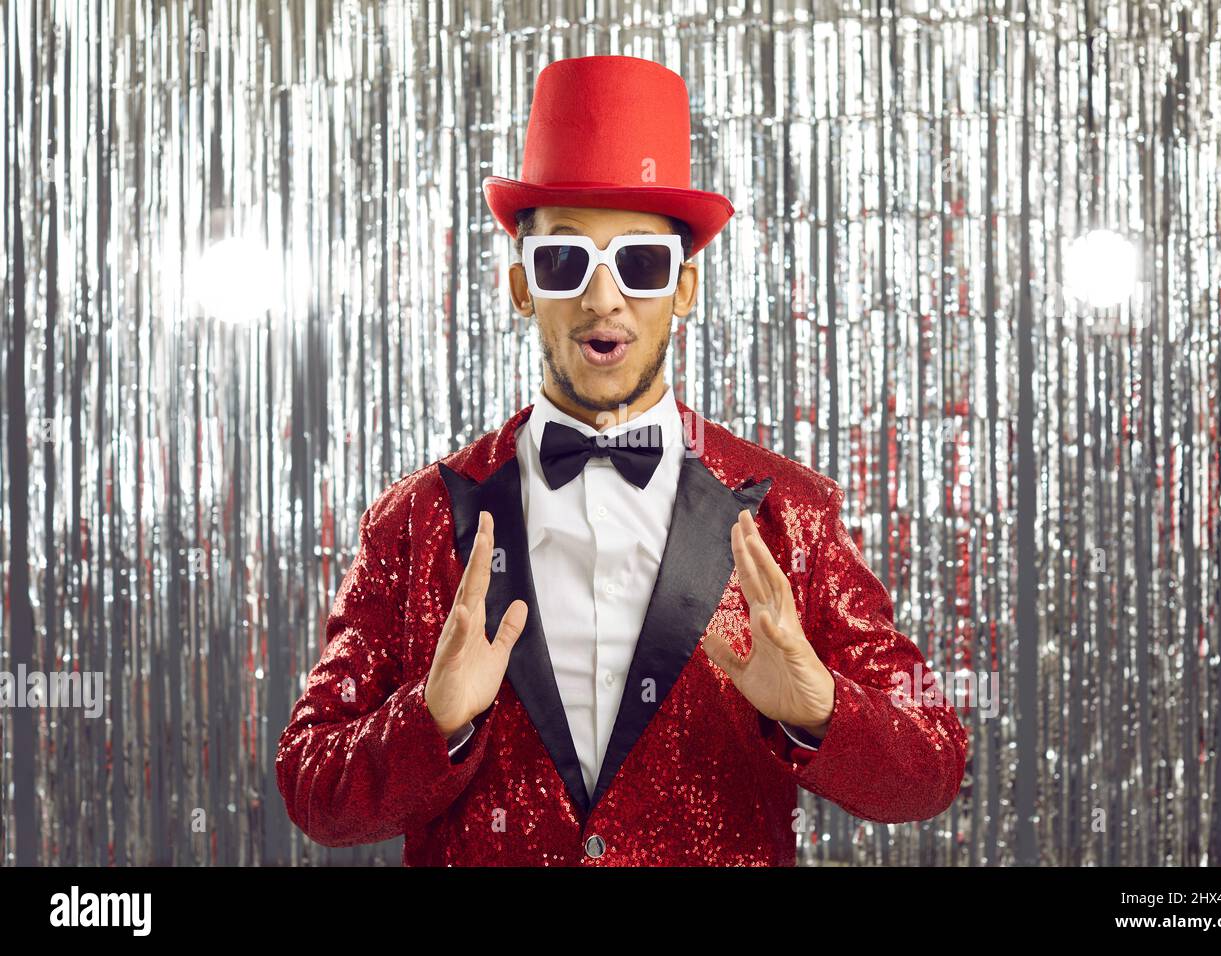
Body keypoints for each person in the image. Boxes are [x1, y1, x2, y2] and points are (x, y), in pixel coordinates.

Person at [276, 54, 967, 866]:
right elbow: (311, 788)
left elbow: (933, 766)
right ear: (521, 287)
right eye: (565, 262)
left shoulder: (790, 513)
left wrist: (820, 709)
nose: (604, 300)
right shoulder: (418, 520)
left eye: (639, 263)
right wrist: (432, 721)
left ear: (684, 289)